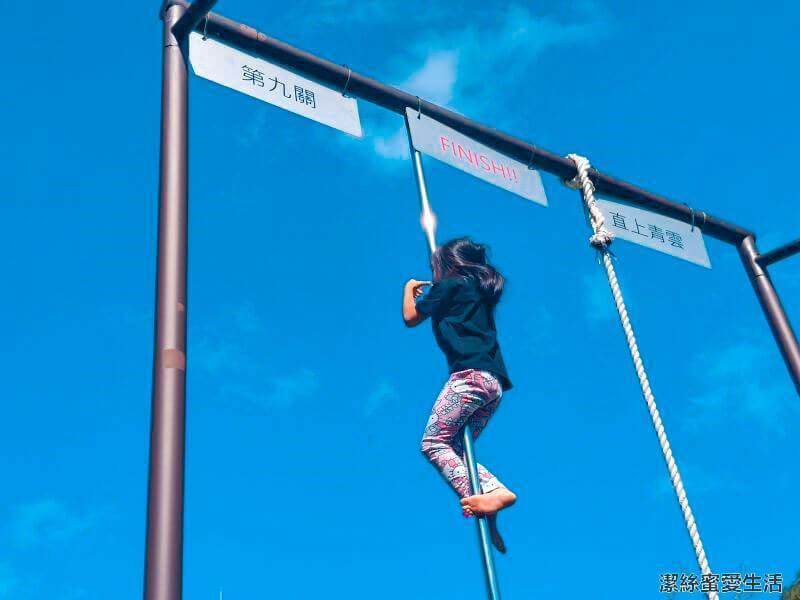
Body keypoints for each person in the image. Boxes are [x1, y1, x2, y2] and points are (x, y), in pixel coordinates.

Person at [402, 237, 517, 530]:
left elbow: (410, 317)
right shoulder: (477, 291)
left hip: (469, 377)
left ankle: (492, 494)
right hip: (492, 384)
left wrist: (408, 290)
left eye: (435, 267)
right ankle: (488, 496)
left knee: (433, 444)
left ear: (449, 265)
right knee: (454, 448)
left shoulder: (449, 286)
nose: (433, 273)